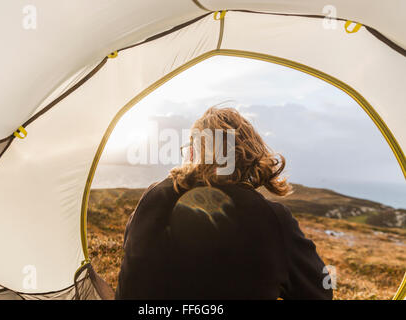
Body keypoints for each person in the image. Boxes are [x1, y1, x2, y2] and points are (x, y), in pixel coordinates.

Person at [115, 107, 333, 300]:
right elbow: (319, 292)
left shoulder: (153, 197)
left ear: (193, 152)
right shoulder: (272, 219)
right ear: (249, 156)